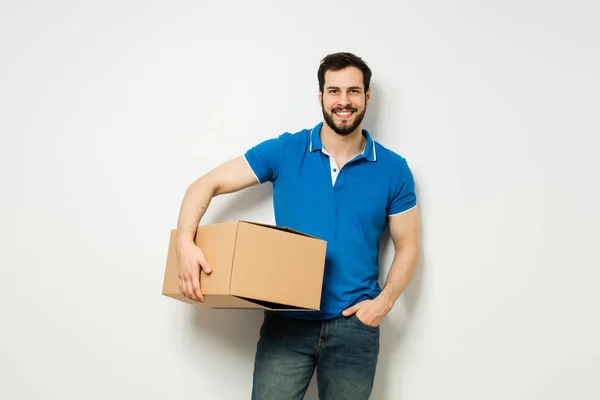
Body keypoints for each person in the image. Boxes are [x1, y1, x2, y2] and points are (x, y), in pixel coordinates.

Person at [175, 52, 420, 400]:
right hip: (287, 322)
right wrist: (186, 243)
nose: (344, 101)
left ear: (367, 97)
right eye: (334, 91)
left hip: (355, 326)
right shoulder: (287, 150)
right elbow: (205, 184)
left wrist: (383, 303)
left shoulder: (394, 169)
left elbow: (408, 246)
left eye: (353, 91)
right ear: (320, 97)